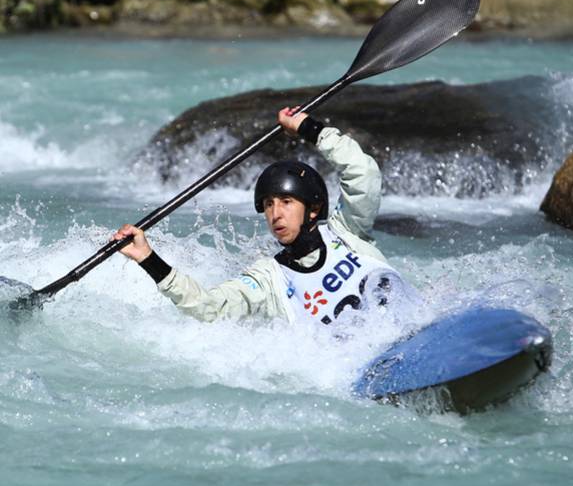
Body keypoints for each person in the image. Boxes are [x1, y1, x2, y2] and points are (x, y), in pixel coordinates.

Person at [114, 109, 410, 326]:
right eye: (268, 204)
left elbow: (363, 172)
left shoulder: (348, 231)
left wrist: (310, 129)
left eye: (286, 202)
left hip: (411, 327)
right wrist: (148, 258)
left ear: (314, 209)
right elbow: (208, 307)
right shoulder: (270, 280)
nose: (275, 214)